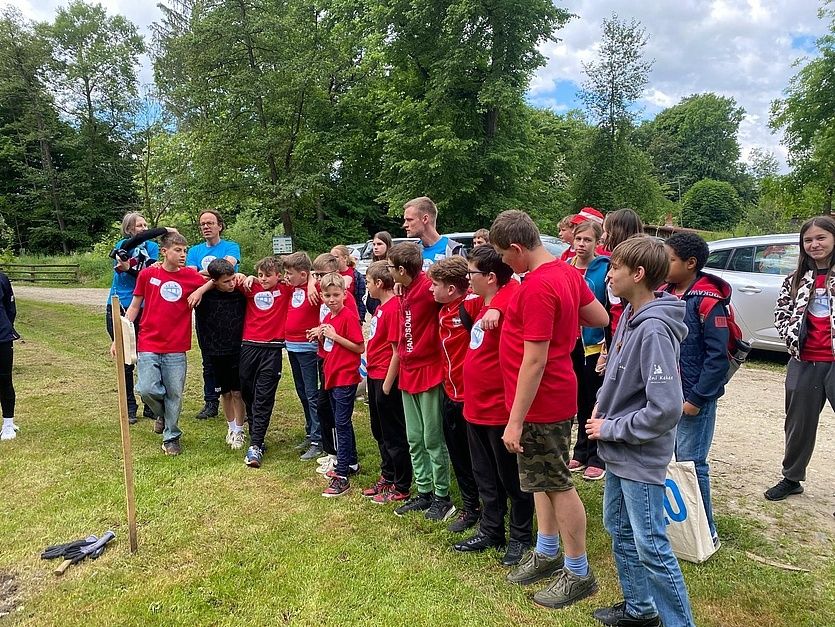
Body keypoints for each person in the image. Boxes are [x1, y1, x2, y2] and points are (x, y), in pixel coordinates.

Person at [490, 210, 608, 610]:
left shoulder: (541, 285)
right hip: (549, 396)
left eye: (506, 258)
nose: (505, 265)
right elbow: (599, 316)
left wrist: (515, 420)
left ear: (518, 248)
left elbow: (535, 360)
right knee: (540, 479)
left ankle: (578, 572)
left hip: (543, 401)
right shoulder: (567, 274)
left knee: (557, 483)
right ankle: (546, 549)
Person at [587, 235, 695, 627]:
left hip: (639, 454)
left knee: (651, 545)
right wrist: (603, 401)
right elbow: (625, 380)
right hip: (619, 448)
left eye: (614, 268)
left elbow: (665, 408)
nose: (608, 274)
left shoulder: (654, 329)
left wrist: (612, 425)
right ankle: (640, 609)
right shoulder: (631, 317)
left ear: (638, 273)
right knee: (618, 528)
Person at [455, 245, 533, 567]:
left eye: (471, 273)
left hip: (499, 408)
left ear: (490, 277)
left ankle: (520, 536)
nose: (467, 278)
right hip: (475, 406)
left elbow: (515, 287)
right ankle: (491, 528)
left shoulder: (510, 298)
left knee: (511, 478)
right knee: (484, 473)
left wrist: (497, 306)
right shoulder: (481, 302)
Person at [662, 232, 731, 544]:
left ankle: (706, 533)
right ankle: (679, 530)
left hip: (693, 399)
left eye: (670, 259)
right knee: (670, 461)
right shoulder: (663, 293)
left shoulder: (707, 301)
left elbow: (718, 358)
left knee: (692, 463)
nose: (663, 263)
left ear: (690, 264)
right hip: (666, 395)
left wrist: (697, 398)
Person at [120, 232, 208, 456]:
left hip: (177, 346)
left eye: (185, 251)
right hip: (149, 341)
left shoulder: (191, 276)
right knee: (146, 388)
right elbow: (134, 306)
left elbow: (216, 280)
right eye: (178, 250)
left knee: (175, 394)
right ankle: (162, 414)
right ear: (164, 252)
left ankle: (172, 437)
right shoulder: (148, 275)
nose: (183, 255)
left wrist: (200, 289)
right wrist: (120, 335)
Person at [768, 216, 835, 501]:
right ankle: (791, 477)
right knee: (798, 424)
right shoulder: (795, 280)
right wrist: (791, 335)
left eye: (821, 238)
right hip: (805, 360)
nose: (814, 244)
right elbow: (781, 313)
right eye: (808, 240)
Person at [387, 242, 454, 521]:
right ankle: (424, 491)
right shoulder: (405, 290)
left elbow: (458, 294)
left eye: (391, 268)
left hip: (429, 370)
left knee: (432, 438)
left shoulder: (429, 289)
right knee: (414, 437)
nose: (390, 274)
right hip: (408, 371)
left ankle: (443, 497)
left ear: (402, 270)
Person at [427, 257, 482, 533]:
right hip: (450, 393)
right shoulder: (442, 308)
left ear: (451, 289)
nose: (430, 290)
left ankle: (485, 505)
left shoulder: (470, 305)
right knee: (458, 456)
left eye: (435, 285)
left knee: (478, 457)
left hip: (471, 396)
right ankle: (470, 506)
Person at [105, 212, 170, 424]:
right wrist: (164, 230)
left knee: (146, 357)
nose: (143, 229)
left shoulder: (152, 248)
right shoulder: (124, 245)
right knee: (126, 360)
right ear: (129, 229)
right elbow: (125, 264)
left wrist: (130, 269)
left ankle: (149, 406)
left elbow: (148, 273)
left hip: (144, 306)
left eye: (145, 225)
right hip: (120, 304)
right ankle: (129, 407)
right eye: (138, 225)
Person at [361, 261, 413, 503]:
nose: (366, 287)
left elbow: (396, 351)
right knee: (378, 430)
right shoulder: (381, 307)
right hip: (373, 374)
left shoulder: (393, 308)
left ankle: (402, 485)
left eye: (368, 282)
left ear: (379, 284)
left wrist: (386, 384)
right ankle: (388, 474)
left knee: (393, 433)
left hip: (385, 377)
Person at [309, 272, 365, 497]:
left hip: (345, 377)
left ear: (344, 294)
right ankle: (350, 462)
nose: (331, 299)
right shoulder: (329, 318)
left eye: (336, 295)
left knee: (341, 423)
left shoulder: (348, 316)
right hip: (332, 375)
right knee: (340, 421)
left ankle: (341, 474)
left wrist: (335, 335)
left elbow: (359, 347)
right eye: (327, 295)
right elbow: (330, 348)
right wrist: (320, 336)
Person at [186, 209, 241, 421]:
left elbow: (227, 269)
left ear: (220, 225)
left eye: (210, 223)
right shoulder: (194, 251)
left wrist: (203, 282)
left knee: (232, 354)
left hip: (229, 305)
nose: (206, 227)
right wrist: (213, 278)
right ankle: (211, 401)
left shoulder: (231, 246)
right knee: (207, 356)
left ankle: (237, 396)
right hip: (205, 308)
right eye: (202, 224)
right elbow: (191, 273)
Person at [567, 220, 610, 482]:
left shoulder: (603, 270)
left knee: (598, 401)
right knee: (579, 400)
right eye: (579, 239)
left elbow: (609, 309)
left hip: (595, 346)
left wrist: (608, 345)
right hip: (571, 345)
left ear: (598, 243)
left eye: (588, 240)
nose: (582, 244)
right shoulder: (565, 268)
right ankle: (580, 450)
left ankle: (597, 456)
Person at [190, 259, 247, 449]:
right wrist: (202, 288)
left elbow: (254, 282)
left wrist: (241, 278)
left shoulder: (240, 292)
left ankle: (240, 429)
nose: (231, 284)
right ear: (214, 281)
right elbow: (189, 276)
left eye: (232, 279)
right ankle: (230, 427)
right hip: (215, 351)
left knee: (238, 392)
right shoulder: (204, 296)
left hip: (237, 349)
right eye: (226, 281)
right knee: (225, 392)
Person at [283, 251, 324, 460]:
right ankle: (311, 431)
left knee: (311, 393)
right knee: (301, 391)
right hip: (292, 346)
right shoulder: (291, 288)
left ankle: (319, 439)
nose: (286, 276)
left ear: (303, 273)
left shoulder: (314, 289)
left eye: (290, 273)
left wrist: (311, 282)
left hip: (307, 348)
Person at [402, 196, 464, 269]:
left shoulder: (453, 250)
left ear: (425, 219)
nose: (405, 225)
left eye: (409, 220)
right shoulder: (412, 251)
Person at [0, 271, 19, 441]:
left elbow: (10, 308)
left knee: (5, 380)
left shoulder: (2, 278)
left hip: (2, 337)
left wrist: (6, 326)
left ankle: (8, 424)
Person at [365, 231, 393, 316]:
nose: (376, 247)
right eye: (374, 244)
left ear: (387, 245)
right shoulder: (372, 264)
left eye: (379, 244)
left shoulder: (392, 266)